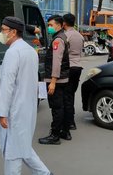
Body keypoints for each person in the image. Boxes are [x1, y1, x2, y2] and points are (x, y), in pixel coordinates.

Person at [0, 16, 52, 175]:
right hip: (27, 108)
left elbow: (7, 85)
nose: (1, 33)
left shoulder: (13, 53)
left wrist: (2, 112)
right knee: (22, 145)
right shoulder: (29, 50)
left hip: (14, 110)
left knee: (12, 151)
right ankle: (44, 173)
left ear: (13, 32)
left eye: (3, 30)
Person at [39, 15, 71, 145]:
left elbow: (56, 62)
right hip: (62, 79)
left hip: (56, 80)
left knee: (57, 108)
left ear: (59, 25)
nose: (49, 27)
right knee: (62, 106)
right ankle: (64, 131)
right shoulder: (61, 37)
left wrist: (52, 81)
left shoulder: (58, 40)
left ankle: (55, 135)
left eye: (51, 25)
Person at [62, 13, 84, 130]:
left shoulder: (65, 36)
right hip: (78, 67)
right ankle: (71, 120)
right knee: (71, 94)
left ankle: (69, 121)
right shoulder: (79, 36)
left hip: (68, 67)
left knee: (66, 95)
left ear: (64, 23)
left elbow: (63, 53)